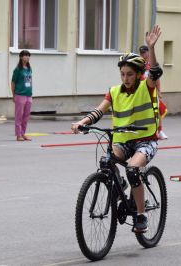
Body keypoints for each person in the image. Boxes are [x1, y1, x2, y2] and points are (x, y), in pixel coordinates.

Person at [71, 25, 163, 233]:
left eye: (129, 74)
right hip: (122, 140)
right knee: (107, 160)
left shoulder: (145, 87)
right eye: (122, 74)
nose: (125, 78)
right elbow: (99, 110)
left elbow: (155, 72)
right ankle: (118, 183)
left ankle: (141, 215)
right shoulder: (114, 92)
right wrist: (82, 122)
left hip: (145, 141)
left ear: (139, 74)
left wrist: (152, 48)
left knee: (132, 169)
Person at [139, 45, 168, 140]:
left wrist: (159, 91)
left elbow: (157, 79)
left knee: (157, 110)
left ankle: (160, 131)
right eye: (141, 53)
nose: (142, 54)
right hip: (142, 92)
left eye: (144, 52)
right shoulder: (139, 64)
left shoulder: (153, 64)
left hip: (153, 91)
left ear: (148, 52)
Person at [11, 50, 33, 141]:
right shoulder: (17, 70)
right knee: (19, 116)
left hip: (28, 95)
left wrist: (31, 93)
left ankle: (23, 133)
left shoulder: (29, 69)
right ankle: (18, 135)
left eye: (28, 56)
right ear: (21, 57)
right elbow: (13, 83)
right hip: (20, 95)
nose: (27, 57)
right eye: (25, 56)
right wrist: (13, 95)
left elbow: (30, 81)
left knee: (26, 116)